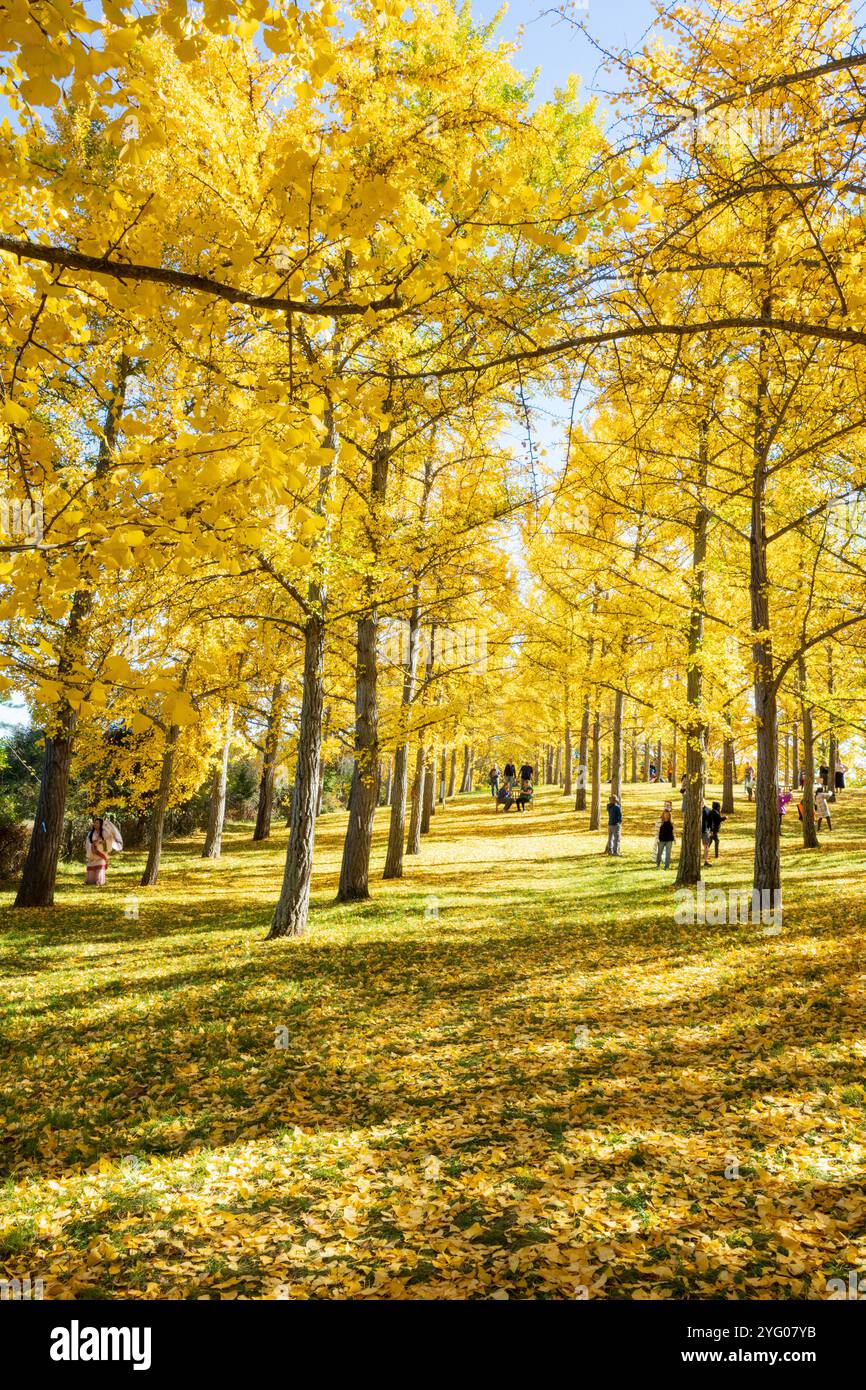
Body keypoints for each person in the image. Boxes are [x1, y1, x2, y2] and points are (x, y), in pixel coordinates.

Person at [84, 814, 123, 886]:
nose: (95, 824)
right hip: (93, 853)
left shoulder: (105, 832)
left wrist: (101, 842)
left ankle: (99, 881)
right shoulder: (90, 833)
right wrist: (92, 845)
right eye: (94, 823)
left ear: (100, 824)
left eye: (97, 823)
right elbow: (87, 843)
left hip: (101, 853)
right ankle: (90, 881)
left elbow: (109, 839)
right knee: (91, 865)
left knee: (100, 864)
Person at [701, 801, 725, 865]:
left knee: (707, 845)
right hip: (701, 831)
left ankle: (706, 860)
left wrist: (711, 830)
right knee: (713, 842)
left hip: (706, 831)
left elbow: (711, 821)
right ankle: (714, 855)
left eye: (702, 802)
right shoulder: (695, 810)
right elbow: (718, 819)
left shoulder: (708, 810)